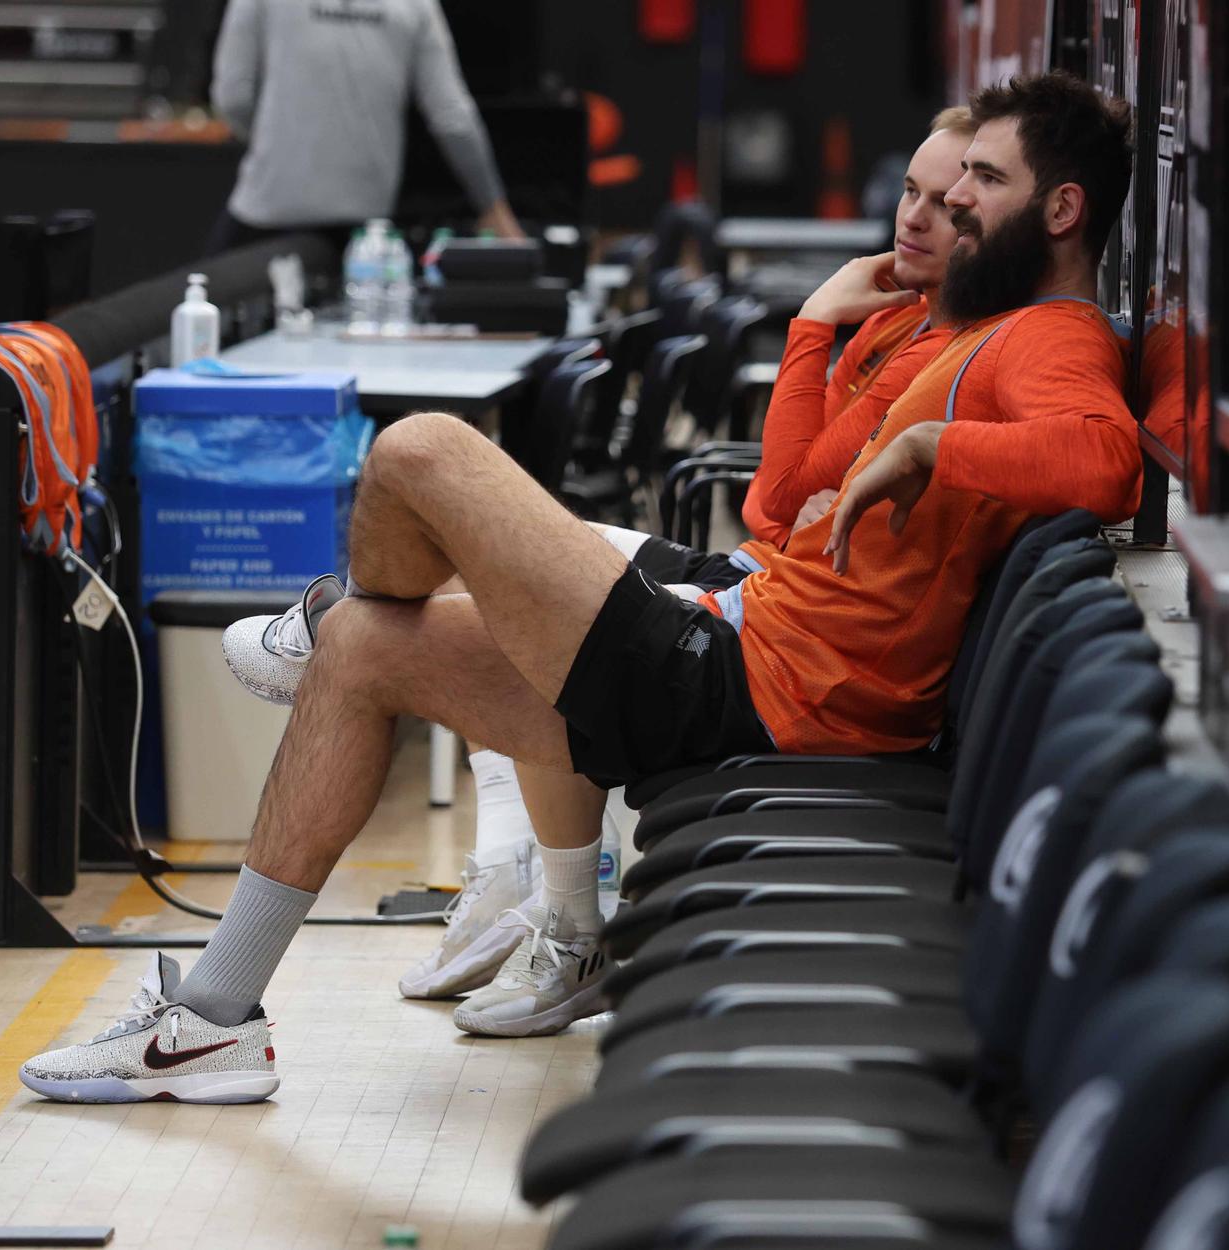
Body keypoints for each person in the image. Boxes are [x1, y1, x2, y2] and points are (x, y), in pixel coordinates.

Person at [20, 70, 1137, 1102]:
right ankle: (211, 1022)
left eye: (986, 181)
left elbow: (1106, 455)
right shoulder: (980, 324)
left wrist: (933, 445)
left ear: (1061, 209)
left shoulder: (1049, 335)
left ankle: (318, 616)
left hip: (768, 690)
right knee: (370, 651)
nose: (950, 206)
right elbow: (788, 497)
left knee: (419, 451)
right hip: (749, 643)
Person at [389, 106, 979, 1005]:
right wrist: (819, 332)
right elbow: (783, 508)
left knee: (506, 586)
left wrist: (811, 328)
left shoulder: (957, 346)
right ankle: (510, 864)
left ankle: (551, 903)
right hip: (766, 591)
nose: (916, 216)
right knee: (501, 564)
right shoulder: (904, 318)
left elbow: (774, 506)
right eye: (910, 190)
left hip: (782, 633)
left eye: (950, 199)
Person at [206, 0, 525, 255]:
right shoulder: (416, 5)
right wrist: (494, 208)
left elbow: (233, 96)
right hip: (365, 236)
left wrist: (276, 142)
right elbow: (453, 118)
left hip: (269, 212)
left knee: (209, 317)